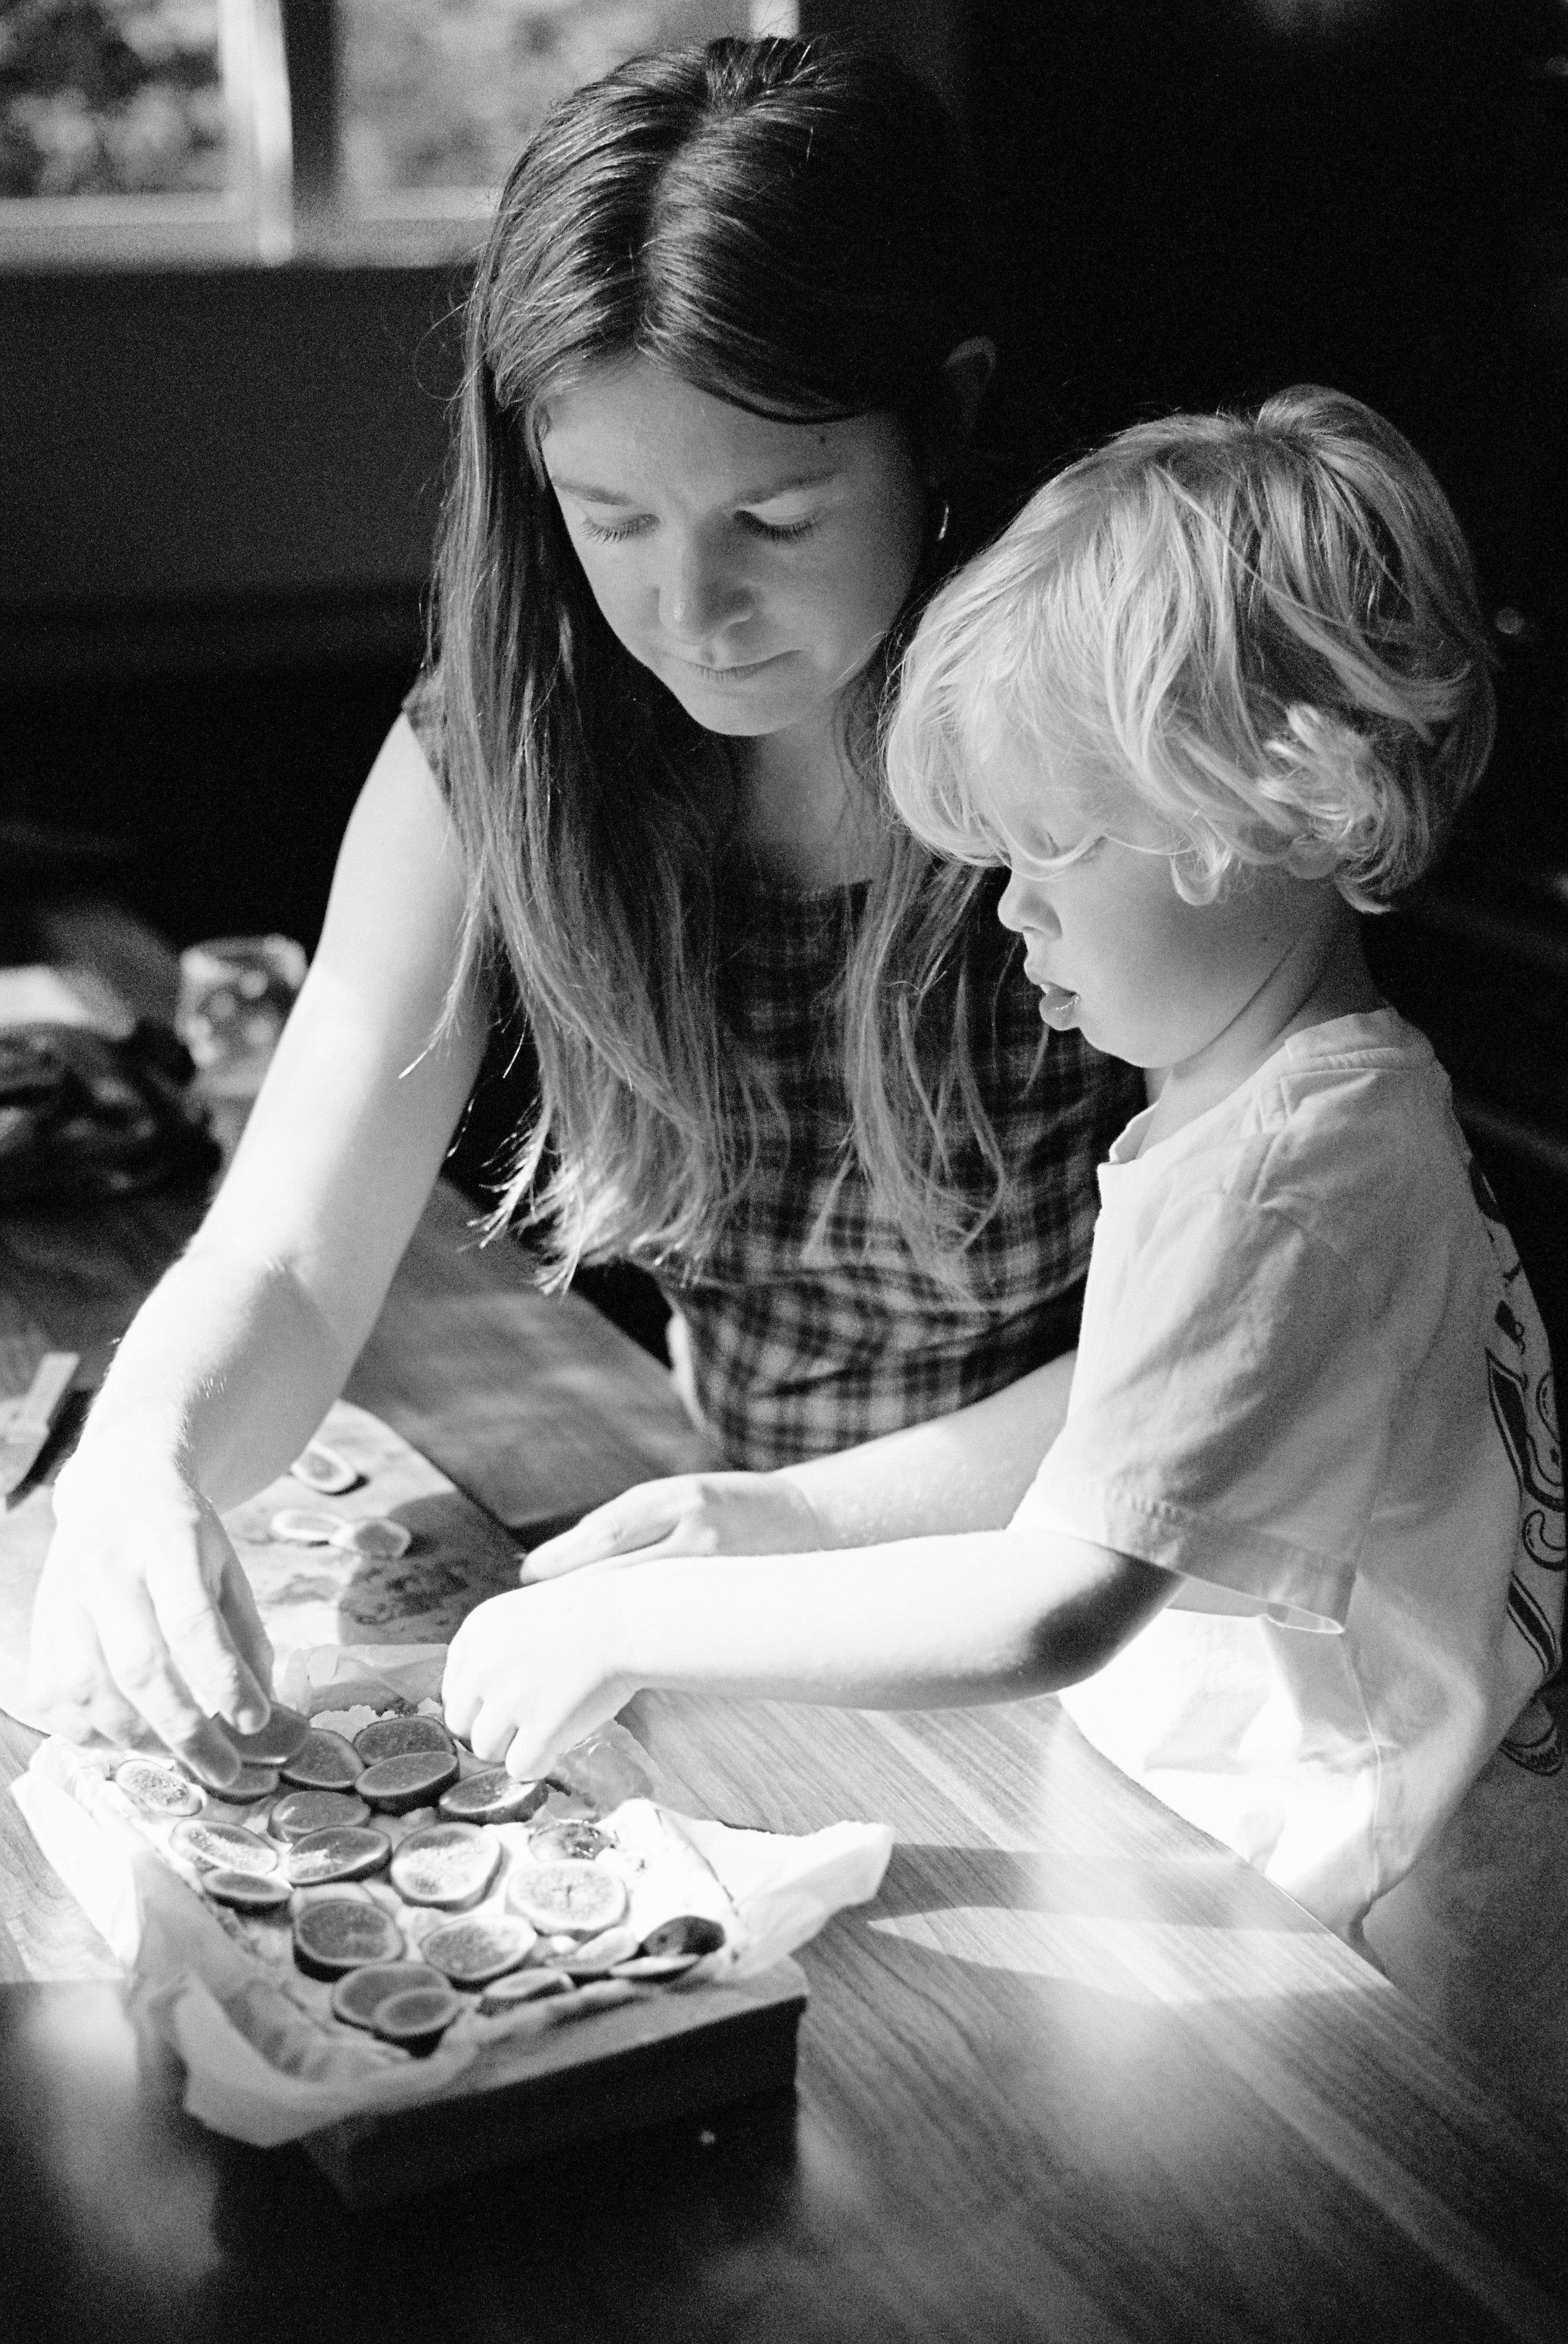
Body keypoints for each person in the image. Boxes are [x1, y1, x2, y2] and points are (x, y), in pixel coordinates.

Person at [26, 37, 1137, 1781]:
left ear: (950, 410)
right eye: (610, 515)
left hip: (1121, 1627)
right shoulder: (505, 750)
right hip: (728, 1593)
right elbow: (294, 1256)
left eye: (773, 514)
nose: (689, 607)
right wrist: (141, 1457)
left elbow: (1218, 1352)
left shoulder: (1109, 738)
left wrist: (785, 1527)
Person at [444, 386, 1563, 1939]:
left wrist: (646, 1624)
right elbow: (1127, 1412)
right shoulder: (1302, 1104)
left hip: (1346, 1919)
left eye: (1055, 849)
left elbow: (1051, 1602)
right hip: (1252, 1843)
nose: (1010, 910)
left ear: (1272, 810)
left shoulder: (1287, 1174)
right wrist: (782, 1516)